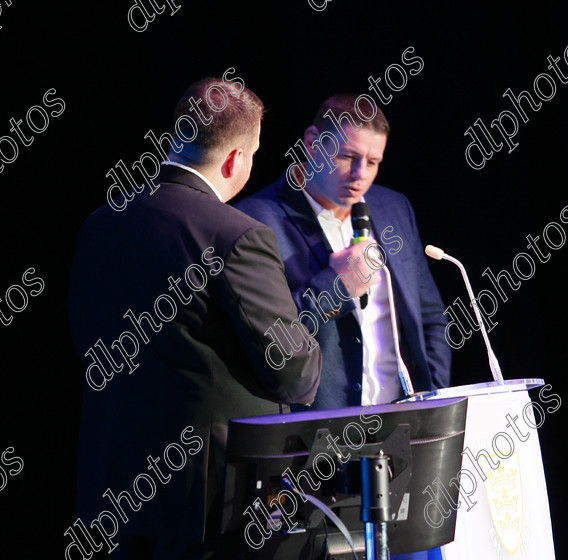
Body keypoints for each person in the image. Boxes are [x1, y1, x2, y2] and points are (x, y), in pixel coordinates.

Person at [68, 77, 321, 559]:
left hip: (111, 487)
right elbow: (292, 370)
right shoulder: (237, 235)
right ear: (235, 160)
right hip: (205, 502)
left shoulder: (101, 221)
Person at [235, 94, 451, 412]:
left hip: (404, 425)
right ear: (312, 143)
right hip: (318, 437)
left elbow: (431, 319)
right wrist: (337, 286)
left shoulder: (393, 208)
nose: (360, 174)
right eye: (347, 156)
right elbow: (266, 343)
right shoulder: (253, 222)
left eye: (373, 162)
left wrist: (434, 401)